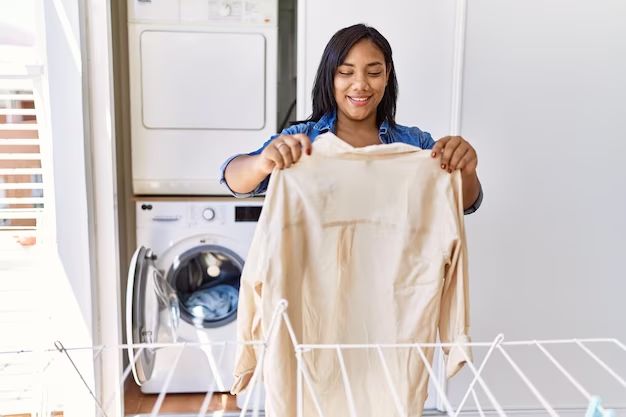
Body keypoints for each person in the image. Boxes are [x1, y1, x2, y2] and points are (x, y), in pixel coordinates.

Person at [220, 23, 482, 214]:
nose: (360, 85)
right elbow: (234, 180)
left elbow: (465, 203)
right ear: (330, 77)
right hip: (317, 283)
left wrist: (466, 171)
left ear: (387, 75)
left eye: (374, 72)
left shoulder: (416, 144)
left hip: (395, 282)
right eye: (346, 72)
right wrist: (262, 162)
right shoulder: (302, 140)